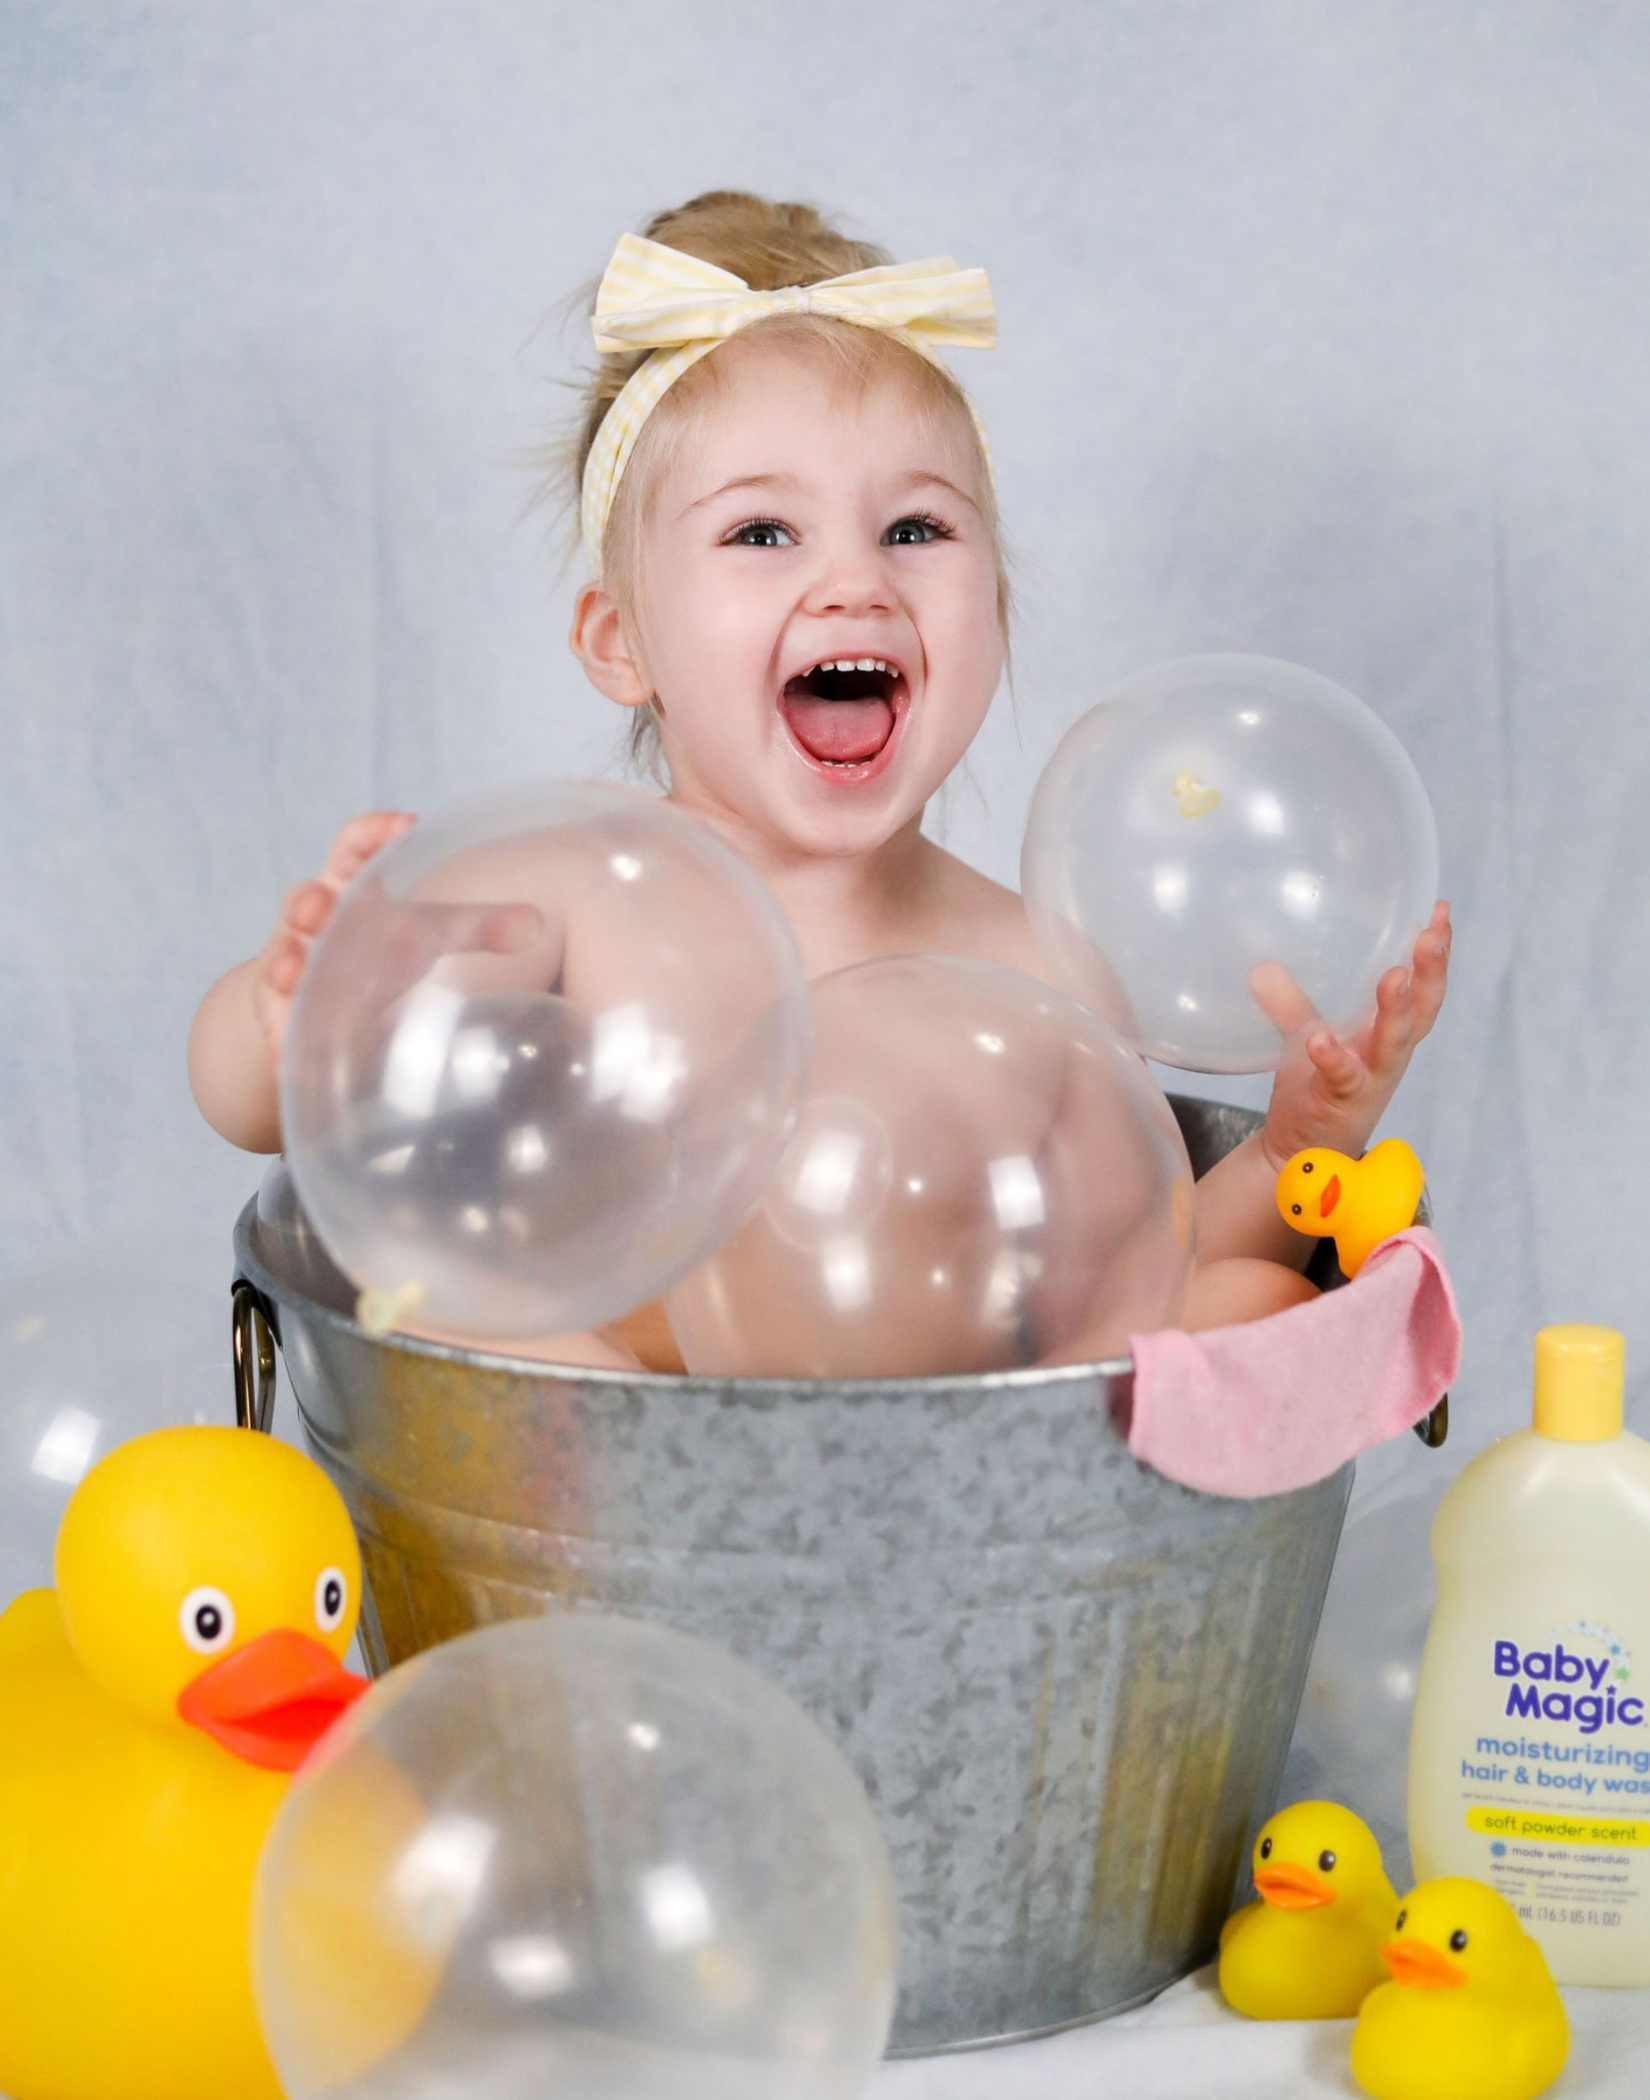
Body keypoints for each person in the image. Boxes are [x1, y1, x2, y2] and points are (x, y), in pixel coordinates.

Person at [188, 189, 1451, 1365]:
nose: (855, 581)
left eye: (916, 528)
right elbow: (248, 1108)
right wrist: (300, 1019)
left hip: (950, 1479)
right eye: (762, 532)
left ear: (996, 614)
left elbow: (1136, 1285)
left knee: (1251, 1309)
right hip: (613, 1450)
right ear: (620, 643)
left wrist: (1293, 1150)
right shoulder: (561, 888)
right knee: (458, 1307)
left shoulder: (1043, 970)